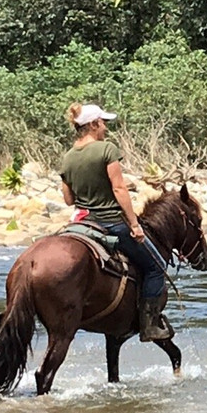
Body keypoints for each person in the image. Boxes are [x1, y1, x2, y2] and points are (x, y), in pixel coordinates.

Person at [60, 102, 172, 341]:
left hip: (80, 223)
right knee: (156, 266)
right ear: (92, 124)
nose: (106, 129)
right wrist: (134, 225)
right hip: (111, 222)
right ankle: (150, 323)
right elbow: (119, 189)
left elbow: (68, 199)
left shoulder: (68, 156)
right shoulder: (106, 149)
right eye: (103, 123)